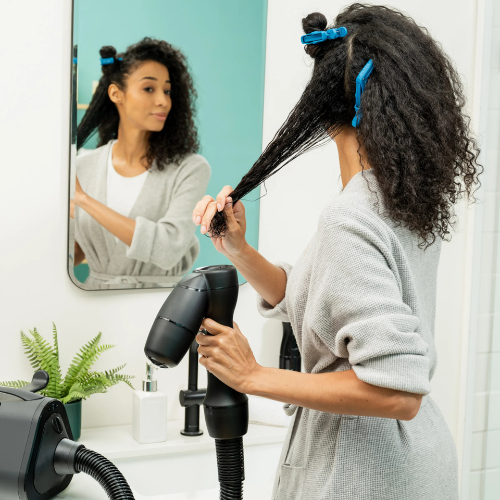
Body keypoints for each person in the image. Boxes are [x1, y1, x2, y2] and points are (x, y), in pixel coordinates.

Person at [191, 5, 482, 500]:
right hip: (419, 461)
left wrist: (252, 376)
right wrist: (240, 251)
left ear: (324, 108)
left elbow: (397, 391)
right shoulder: (400, 202)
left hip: (362, 469)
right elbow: (320, 301)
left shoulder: (349, 218)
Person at [71, 37, 210, 289]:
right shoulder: (83, 166)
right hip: (94, 301)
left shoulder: (189, 169)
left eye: (167, 91)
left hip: (160, 304)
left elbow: (168, 249)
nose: (163, 101)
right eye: (149, 89)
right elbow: (77, 254)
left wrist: (84, 201)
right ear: (116, 93)